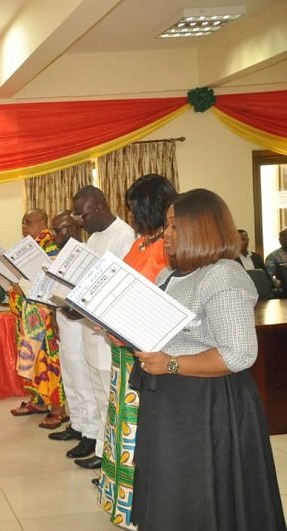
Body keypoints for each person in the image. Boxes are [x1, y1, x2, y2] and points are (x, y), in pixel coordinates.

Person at [131, 189, 285, 531]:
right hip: (173, 402)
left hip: (209, 406)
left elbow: (239, 353)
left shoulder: (223, 274)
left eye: (174, 226)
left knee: (201, 497)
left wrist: (171, 364)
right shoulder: (169, 275)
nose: (166, 233)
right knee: (172, 491)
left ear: (200, 228)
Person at [96, 174, 176, 528]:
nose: (130, 215)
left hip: (145, 350)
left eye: (134, 208)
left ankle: (140, 505)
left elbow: (162, 299)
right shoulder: (143, 242)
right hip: (122, 348)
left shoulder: (167, 246)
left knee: (139, 430)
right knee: (121, 425)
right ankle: (121, 501)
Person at [70, 186, 135, 469]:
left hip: (109, 334)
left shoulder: (125, 236)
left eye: (82, 215)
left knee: (111, 399)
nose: (80, 222)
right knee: (98, 395)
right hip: (89, 328)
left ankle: (109, 456)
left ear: (99, 206)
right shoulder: (94, 238)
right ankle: (100, 449)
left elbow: (119, 287)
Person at [8, 208, 67, 430]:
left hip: (45, 317)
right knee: (33, 362)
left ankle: (57, 408)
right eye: (22, 223)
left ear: (43, 222)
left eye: (28, 222)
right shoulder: (28, 249)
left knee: (48, 362)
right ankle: (39, 401)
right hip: (29, 316)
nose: (24, 227)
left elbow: (50, 282)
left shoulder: (50, 246)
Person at [47, 210, 99, 452]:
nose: (55, 235)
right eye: (54, 230)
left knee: (81, 376)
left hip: (80, 322)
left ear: (74, 228)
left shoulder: (87, 254)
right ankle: (77, 424)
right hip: (63, 318)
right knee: (68, 373)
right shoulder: (60, 256)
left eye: (59, 230)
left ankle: (91, 434)